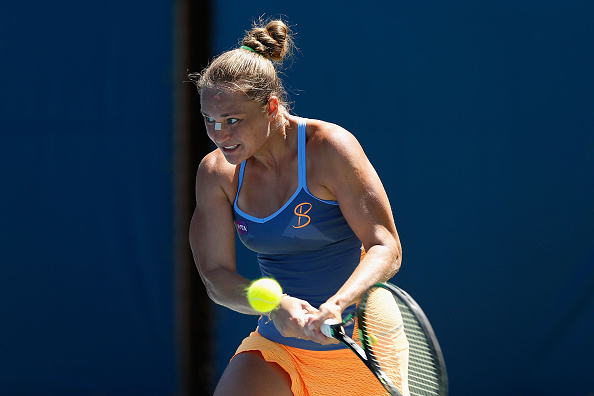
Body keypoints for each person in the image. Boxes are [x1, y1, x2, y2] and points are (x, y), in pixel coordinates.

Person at [189, 18, 408, 396]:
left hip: (362, 338)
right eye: (210, 120)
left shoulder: (329, 148)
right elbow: (215, 276)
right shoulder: (216, 173)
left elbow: (386, 246)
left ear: (271, 107)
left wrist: (337, 304)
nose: (219, 135)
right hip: (278, 342)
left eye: (233, 120)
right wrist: (274, 304)